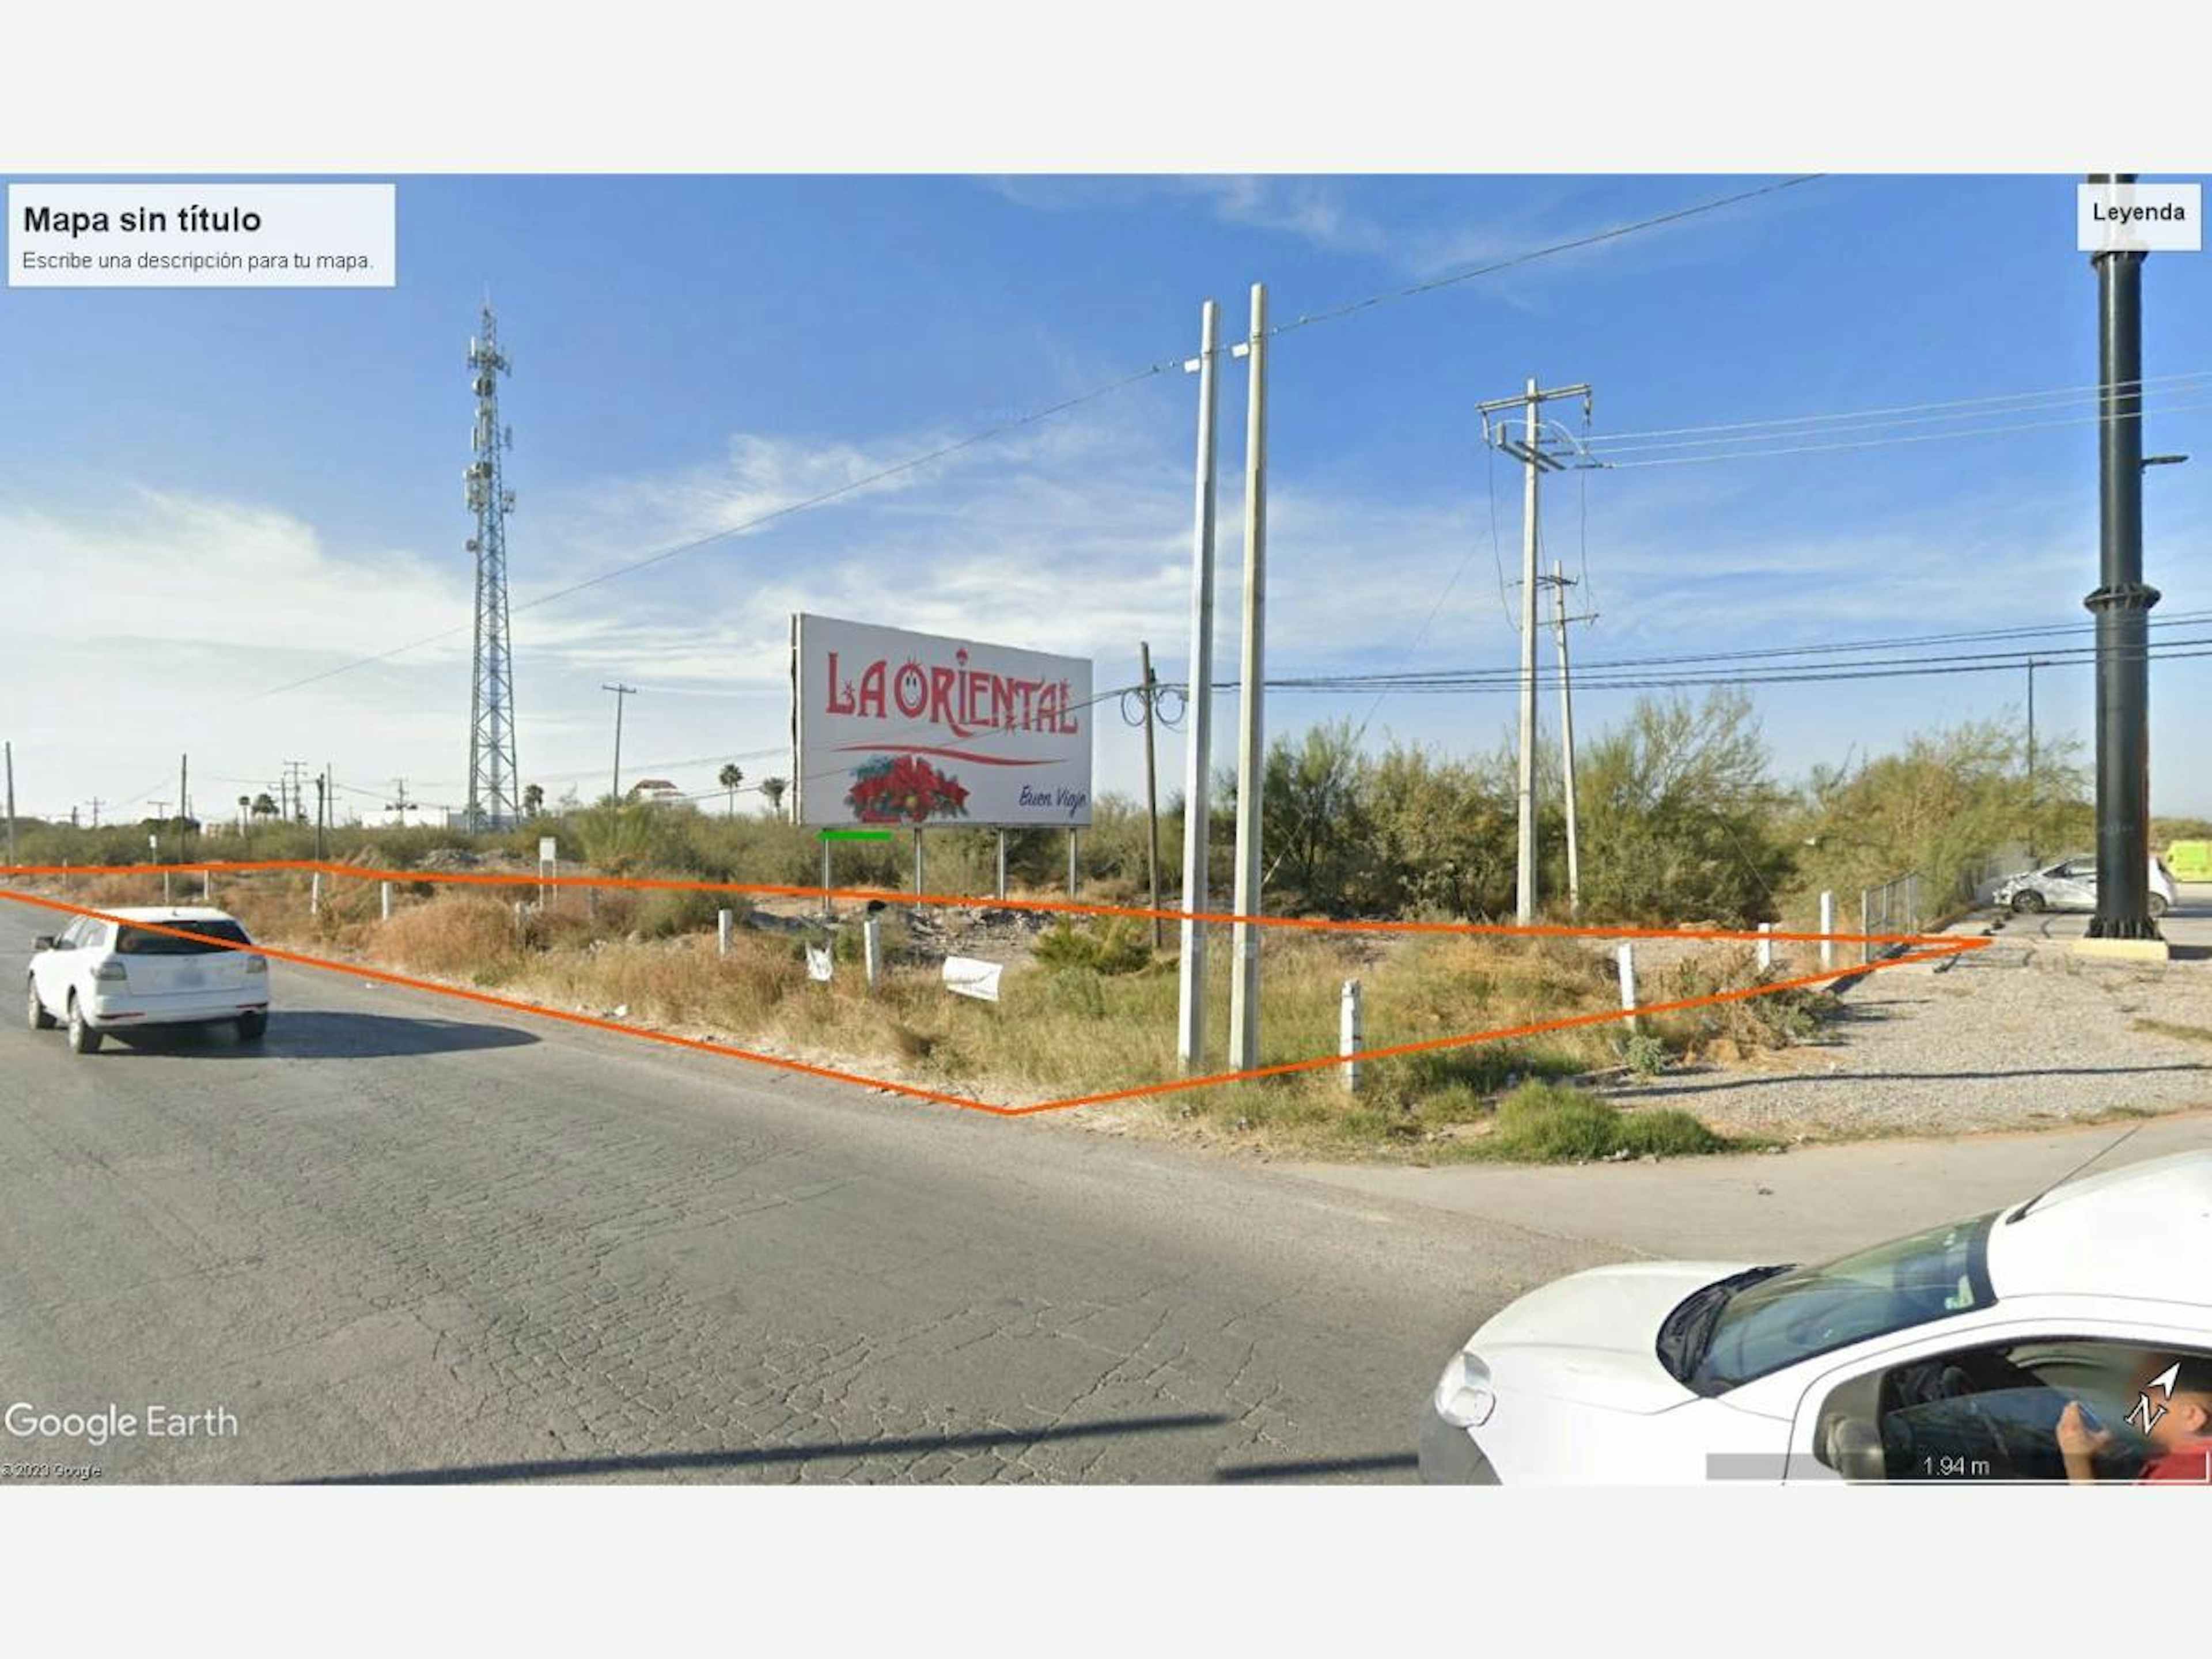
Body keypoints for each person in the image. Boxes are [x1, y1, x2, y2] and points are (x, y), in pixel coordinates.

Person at [2059, 1355, 2212, 1484]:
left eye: (2148, 1389)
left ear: (2191, 1417)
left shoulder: (2184, 1478)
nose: (2130, 1397)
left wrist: (2077, 1462)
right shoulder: (2195, 1465)